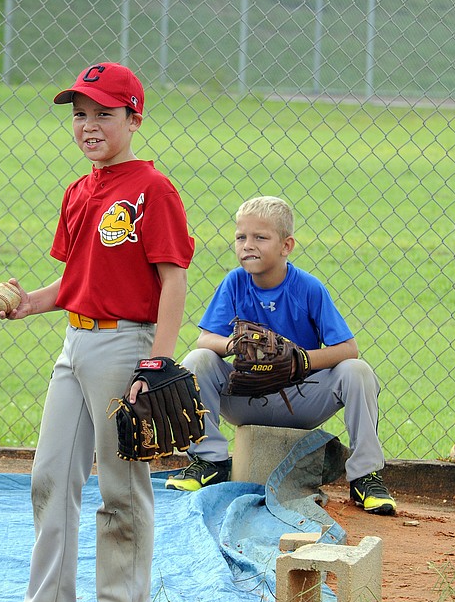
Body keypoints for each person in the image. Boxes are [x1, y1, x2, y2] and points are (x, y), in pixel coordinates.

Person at [0, 62, 195, 602]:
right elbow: (75, 280)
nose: (89, 124)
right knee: (50, 478)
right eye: (80, 114)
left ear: (134, 117)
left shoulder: (151, 190)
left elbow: (173, 280)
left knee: (122, 489)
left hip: (127, 345)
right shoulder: (80, 190)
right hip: (74, 345)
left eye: (104, 112)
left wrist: (157, 362)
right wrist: (30, 303)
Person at [167, 195, 396, 516]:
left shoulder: (308, 288)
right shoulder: (234, 283)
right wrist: (235, 346)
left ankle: (365, 477)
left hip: (303, 398)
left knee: (357, 370)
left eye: (261, 237)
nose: (248, 245)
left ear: (286, 246)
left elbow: (348, 349)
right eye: (241, 237)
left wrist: (301, 360)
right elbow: (206, 338)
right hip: (247, 397)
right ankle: (210, 461)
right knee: (196, 360)